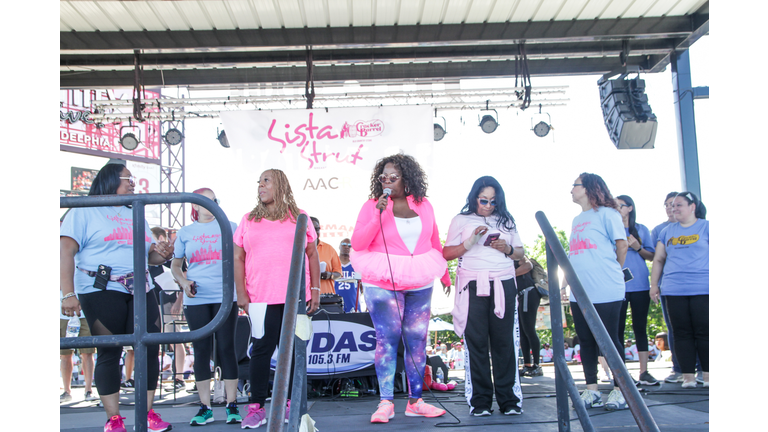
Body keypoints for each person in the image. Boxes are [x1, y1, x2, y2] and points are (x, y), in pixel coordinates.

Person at [60, 162, 174, 432]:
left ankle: (147, 414)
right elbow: (65, 251)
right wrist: (67, 293)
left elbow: (151, 255)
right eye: (128, 178)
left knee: (149, 348)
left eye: (133, 178)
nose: (133, 183)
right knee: (109, 350)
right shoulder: (84, 210)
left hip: (140, 285)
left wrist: (164, 254)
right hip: (100, 286)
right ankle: (113, 419)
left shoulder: (135, 211)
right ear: (110, 179)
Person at [350, 153, 451, 423]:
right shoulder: (372, 205)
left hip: (419, 276)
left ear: (407, 178)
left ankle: (415, 401)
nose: (387, 181)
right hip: (382, 278)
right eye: (383, 177)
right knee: (388, 337)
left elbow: (434, 239)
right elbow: (358, 244)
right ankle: (385, 402)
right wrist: (377, 214)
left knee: (417, 338)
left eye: (393, 177)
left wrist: (445, 274)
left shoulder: (423, 204)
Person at [233, 169, 321, 429]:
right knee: (261, 350)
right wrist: (241, 293)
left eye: (266, 181)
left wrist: (315, 290)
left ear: (280, 185)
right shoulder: (248, 219)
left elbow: (312, 254)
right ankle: (257, 406)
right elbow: (238, 257)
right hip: (260, 296)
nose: (260, 185)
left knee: (294, 350)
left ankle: (290, 404)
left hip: (295, 297)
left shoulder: (300, 217)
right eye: (258, 181)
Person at [445, 175, 525, 417]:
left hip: (503, 283)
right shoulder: (461, 219)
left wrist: (507, 248)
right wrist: (470, 242)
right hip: (472, 284)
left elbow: (520, 252)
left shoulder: (506, 220)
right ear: (474, 198)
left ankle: (509, 400)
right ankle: (480, 402)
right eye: (483, 200)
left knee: (504, 343)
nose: (488, 206)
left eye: (493, 201)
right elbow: (446, 252)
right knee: (476, 344)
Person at [171, 187, 242, 425]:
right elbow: (175, 265)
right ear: (195, 206)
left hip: (225, 296)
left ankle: (232, 405)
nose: (210, 205)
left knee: (226, 348)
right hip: (197, 297)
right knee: (200, 350)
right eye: (204, 201)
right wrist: (183, 282)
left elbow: (242, 259)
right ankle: (205, 407)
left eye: (214, 201)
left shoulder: (230, 226)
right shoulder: (186, 232)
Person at [565, 172, 629, 411]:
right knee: (586, 341)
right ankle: (591, 390)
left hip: (605, 287)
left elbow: (621, 245)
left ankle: (620, 390)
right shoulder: (576, 219)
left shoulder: (608, 214)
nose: (571, 189)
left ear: (589, 188)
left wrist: (612, 270)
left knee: (610, 341)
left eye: (575, 185)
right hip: (579, 290)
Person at [650, 192, 709, 389]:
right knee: (681, 333)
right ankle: (688, 377)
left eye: (679, 205)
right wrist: (654, 285)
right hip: (674, 289)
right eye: (672, 205)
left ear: (692, 207)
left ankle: (708, 375)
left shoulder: (707, 227)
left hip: (703, 288)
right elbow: (658, 259)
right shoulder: (667, 231)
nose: (674, 209)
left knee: (704, 332)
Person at [615, 195, 659, 385]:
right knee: (618, 328)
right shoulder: (611, 228)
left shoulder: (641, 229)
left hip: (640, 283)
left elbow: (652, 256)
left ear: (630, 208)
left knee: (640, 326)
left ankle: (644, 371)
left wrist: (638, 247)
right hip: (618, 285)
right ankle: (621, 372)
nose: (617, 209)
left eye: (620, 206)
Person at [150, 226, 186, 392]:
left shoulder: (172, 256)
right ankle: (153, 378)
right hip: (151, 301)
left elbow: (183, 277)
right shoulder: (148, 256)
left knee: (176, 339)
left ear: (160, 238)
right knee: (153, 341)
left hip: (169, 302)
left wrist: (179, 301)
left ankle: (179, 377)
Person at [60, 291, 97, 403]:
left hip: (84, 313)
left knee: (87, 353)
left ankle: (88, 390)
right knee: (65, 354)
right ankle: (66, 391)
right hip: (63, 314)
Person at [515, 256, 543, 377]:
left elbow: (528, 265)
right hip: (520, 296)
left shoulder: (514, 253)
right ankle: (527, 364)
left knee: (529, 329)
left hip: (528, 292)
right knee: (522, 331)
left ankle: (537, 365)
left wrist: (511, 274)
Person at [310, 217, 342, 295]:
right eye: (312, 229)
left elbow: (338, 274)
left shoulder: (329, 249)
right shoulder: (299, 250)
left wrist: (329, 275)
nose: (315, 232)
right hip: (306, 297)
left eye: (317, 229)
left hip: (326, 296)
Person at [335, 238, 361, 312]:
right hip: (335, 304)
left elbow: (362, 286)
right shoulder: (334, 263)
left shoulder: (357, 264)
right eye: (343, 244)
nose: (346, 247)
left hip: (353, 304)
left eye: (349, 245)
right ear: (339, 246)